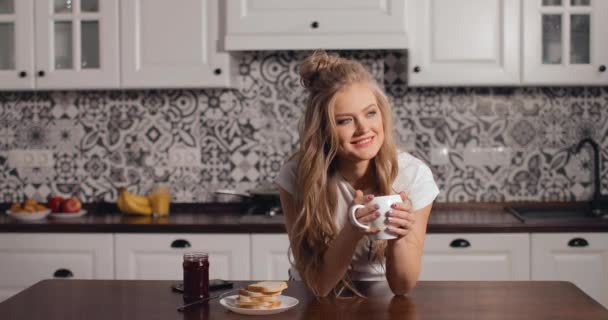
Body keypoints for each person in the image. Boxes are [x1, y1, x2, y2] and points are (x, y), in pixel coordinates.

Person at [275, 51, 439, 297]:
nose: (364, 129)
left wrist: (398, 239)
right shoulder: (297, 176)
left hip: (381, 297)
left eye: (370, 113)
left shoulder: (413, 175)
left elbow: (402, 287)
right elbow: (317, 285)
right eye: (344, 121)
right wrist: (353, 230)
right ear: (323, 129)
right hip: (311, 299)